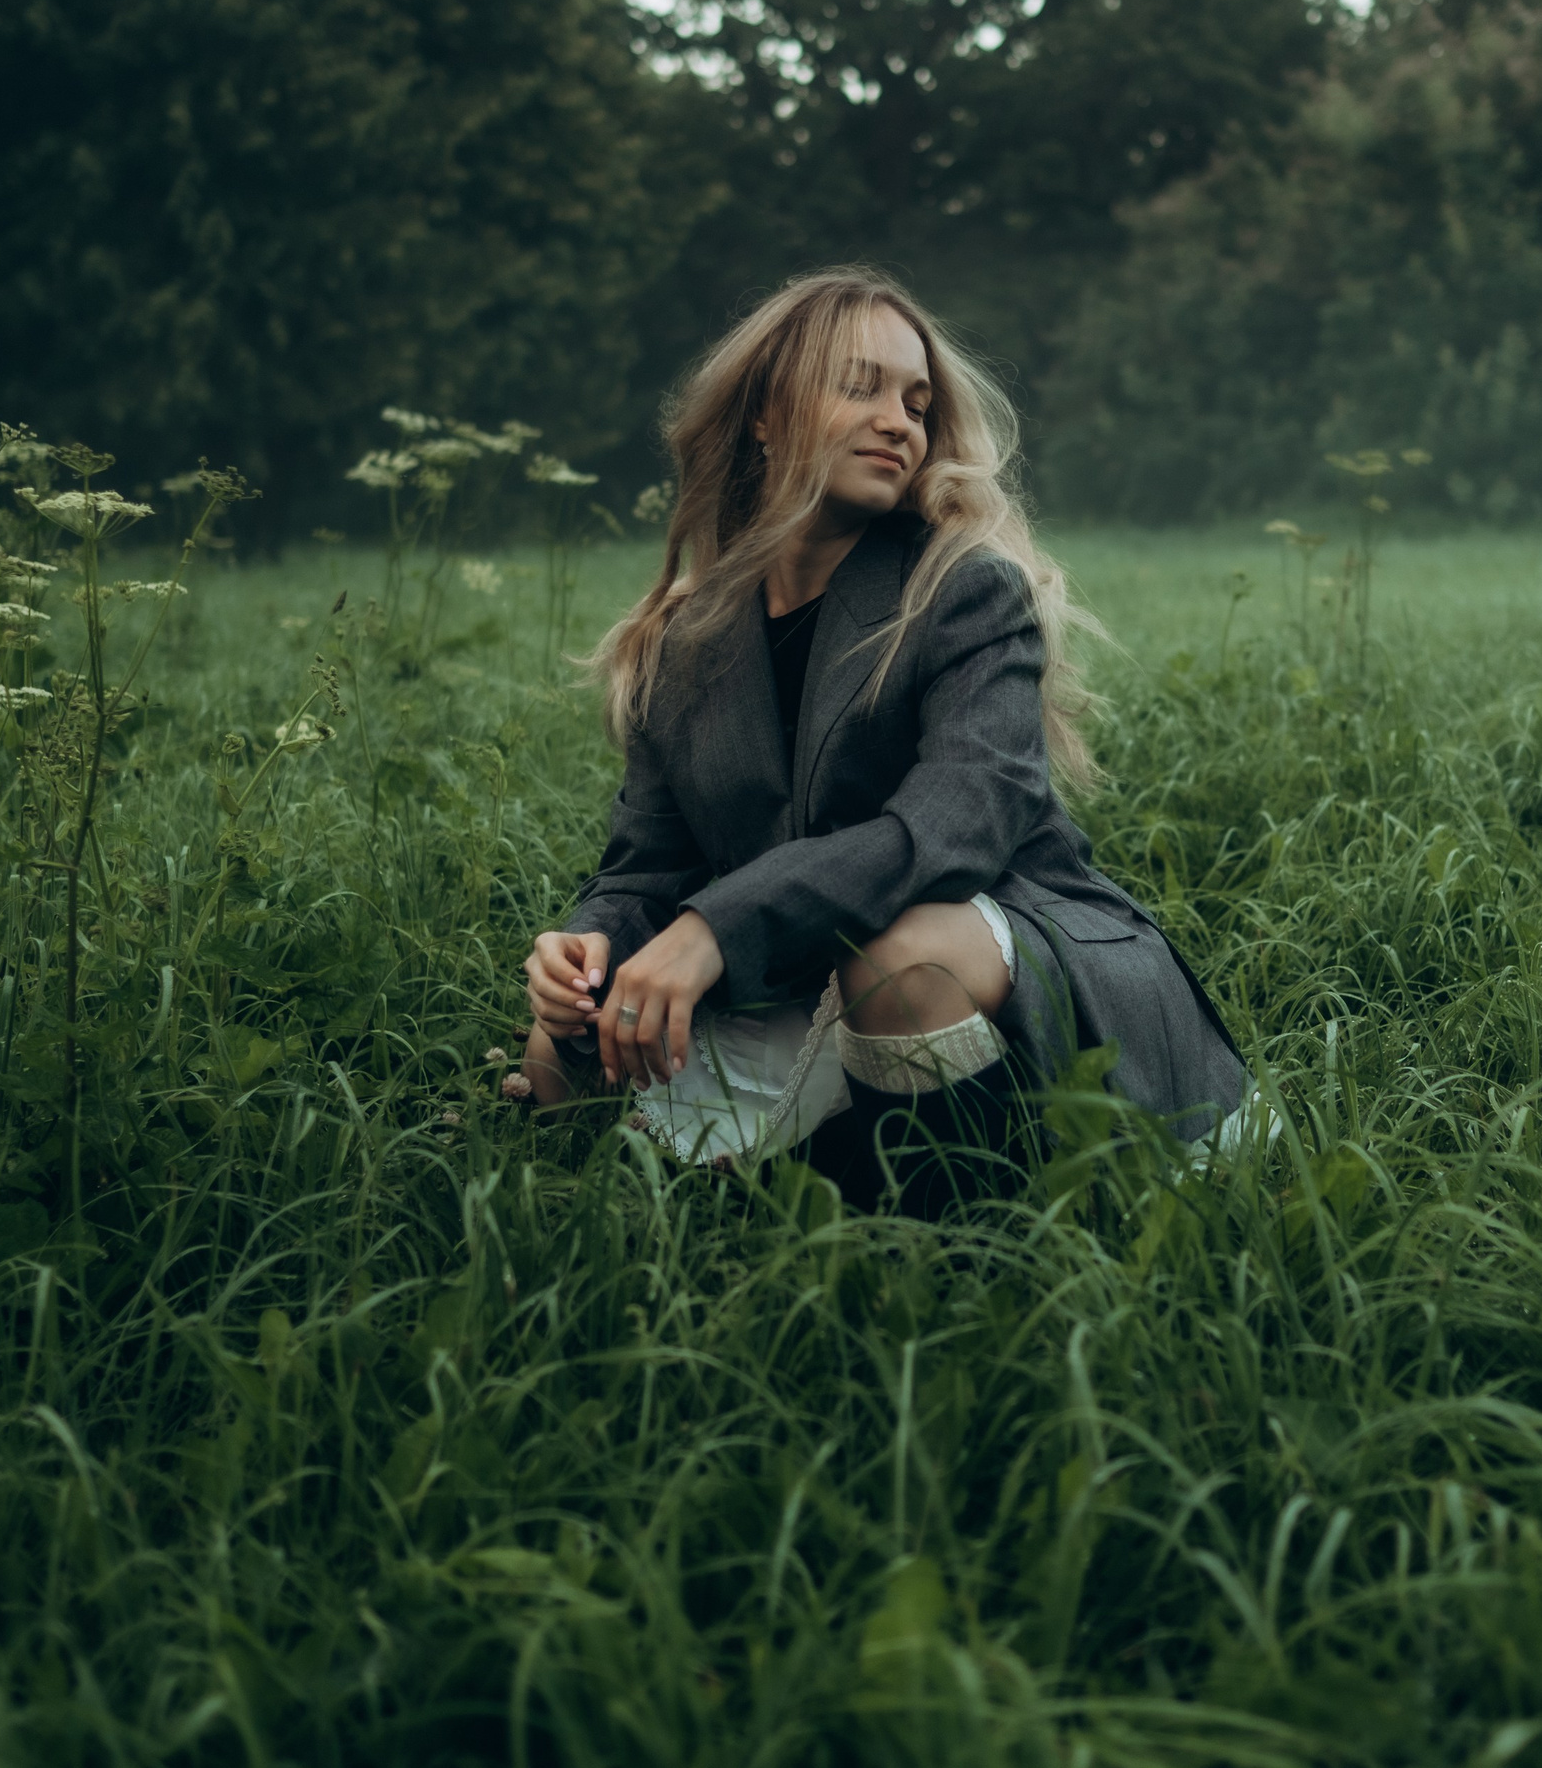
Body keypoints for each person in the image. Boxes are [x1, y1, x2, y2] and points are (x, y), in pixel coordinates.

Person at [520, 266, 1246, 1209]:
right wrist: (585, 949)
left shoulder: (965, 588)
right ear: (764, 414)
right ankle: (818, 1177)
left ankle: (972, 1239)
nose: (899, 422)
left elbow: (953, 830)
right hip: (804, 971)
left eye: (916, 403)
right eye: (860, 387)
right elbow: (646, 867)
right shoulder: (685, 638)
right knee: (554, 1054)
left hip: (1008, 951)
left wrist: (718, 928)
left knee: (902, 963)